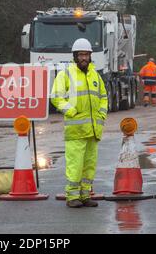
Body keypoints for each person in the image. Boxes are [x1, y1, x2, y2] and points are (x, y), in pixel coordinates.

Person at [51, 38, 108, 208]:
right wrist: (71, 111)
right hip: (75, 131)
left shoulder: (95, 75)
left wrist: (102, 115)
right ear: (75, 56)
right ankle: (72, 197)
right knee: (75, 166)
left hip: (93, 130)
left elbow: (104, 97)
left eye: (86, 54)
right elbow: (55, 96)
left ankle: (85, 195)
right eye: (81, 54)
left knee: (89, 166)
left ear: (90, 56)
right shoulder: (66, 74)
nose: (84, 58)